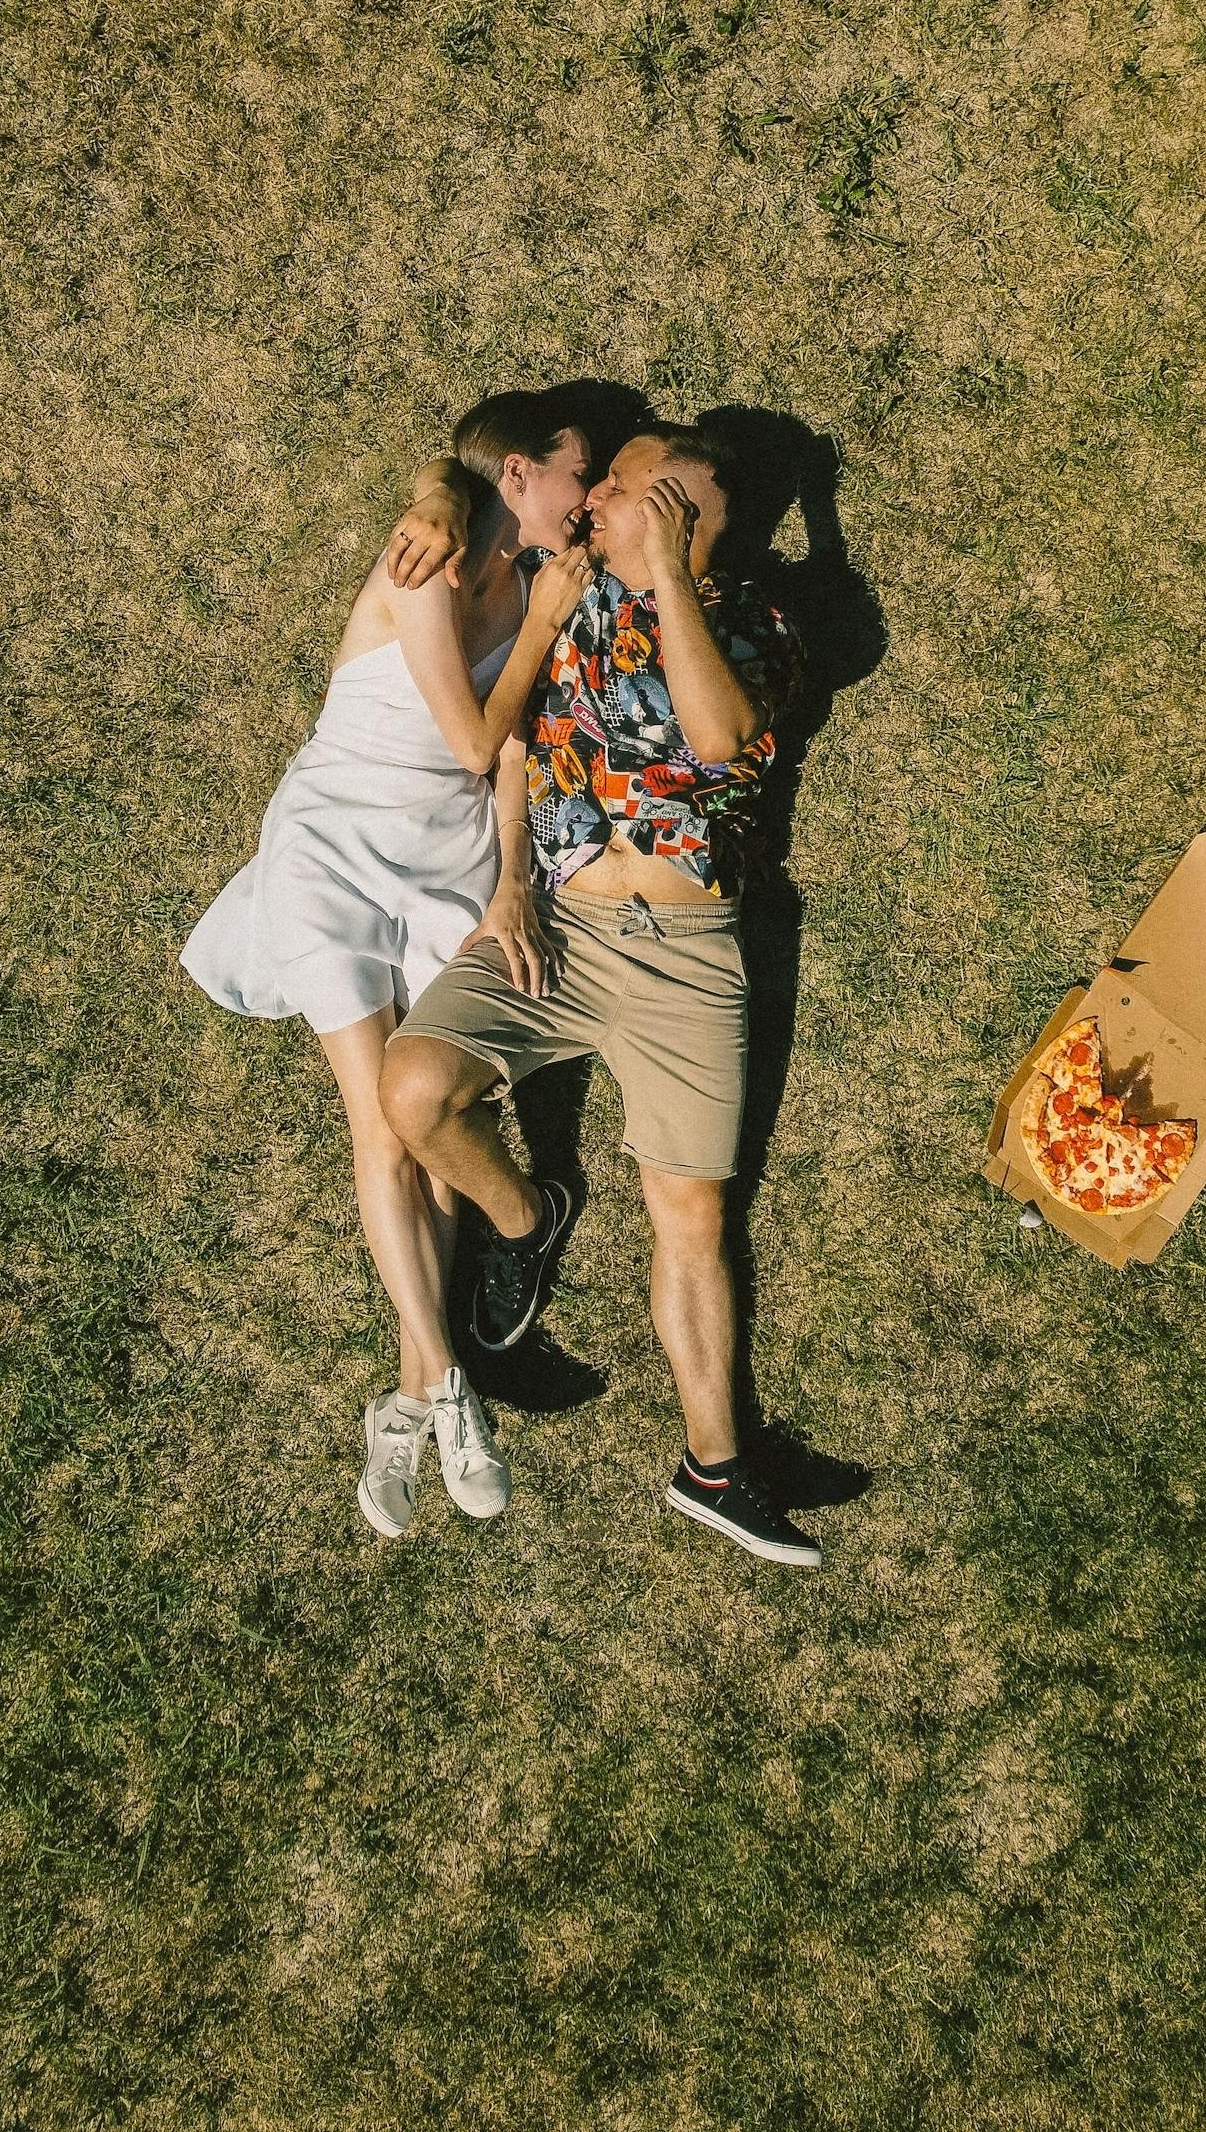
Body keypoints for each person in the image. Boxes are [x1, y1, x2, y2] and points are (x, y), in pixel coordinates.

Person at [379, 425, 825, 1569]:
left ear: (680, 514)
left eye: (623, 486)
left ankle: (713, 1467)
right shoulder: (564, 592)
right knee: (415, 1088)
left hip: (688, 954)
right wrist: (510, 882)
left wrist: (668, 572)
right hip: (561, 925)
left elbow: (720, 737)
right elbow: (518, 742)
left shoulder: (759, 621)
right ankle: (528, 1222)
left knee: (694, 1216)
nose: (599, 498)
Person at [179, 397, 593, 1540]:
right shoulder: (425, 563)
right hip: (333, 848)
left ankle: (413, 1394)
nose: (587, 493)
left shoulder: (535, 573)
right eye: (577, 472)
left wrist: (510, 877)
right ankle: (449, 1384)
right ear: (519, 474)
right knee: (378, 1122)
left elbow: (510, 754)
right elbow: (471, 737)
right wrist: (529, 603)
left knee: (435, 1120)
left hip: (447, 860)